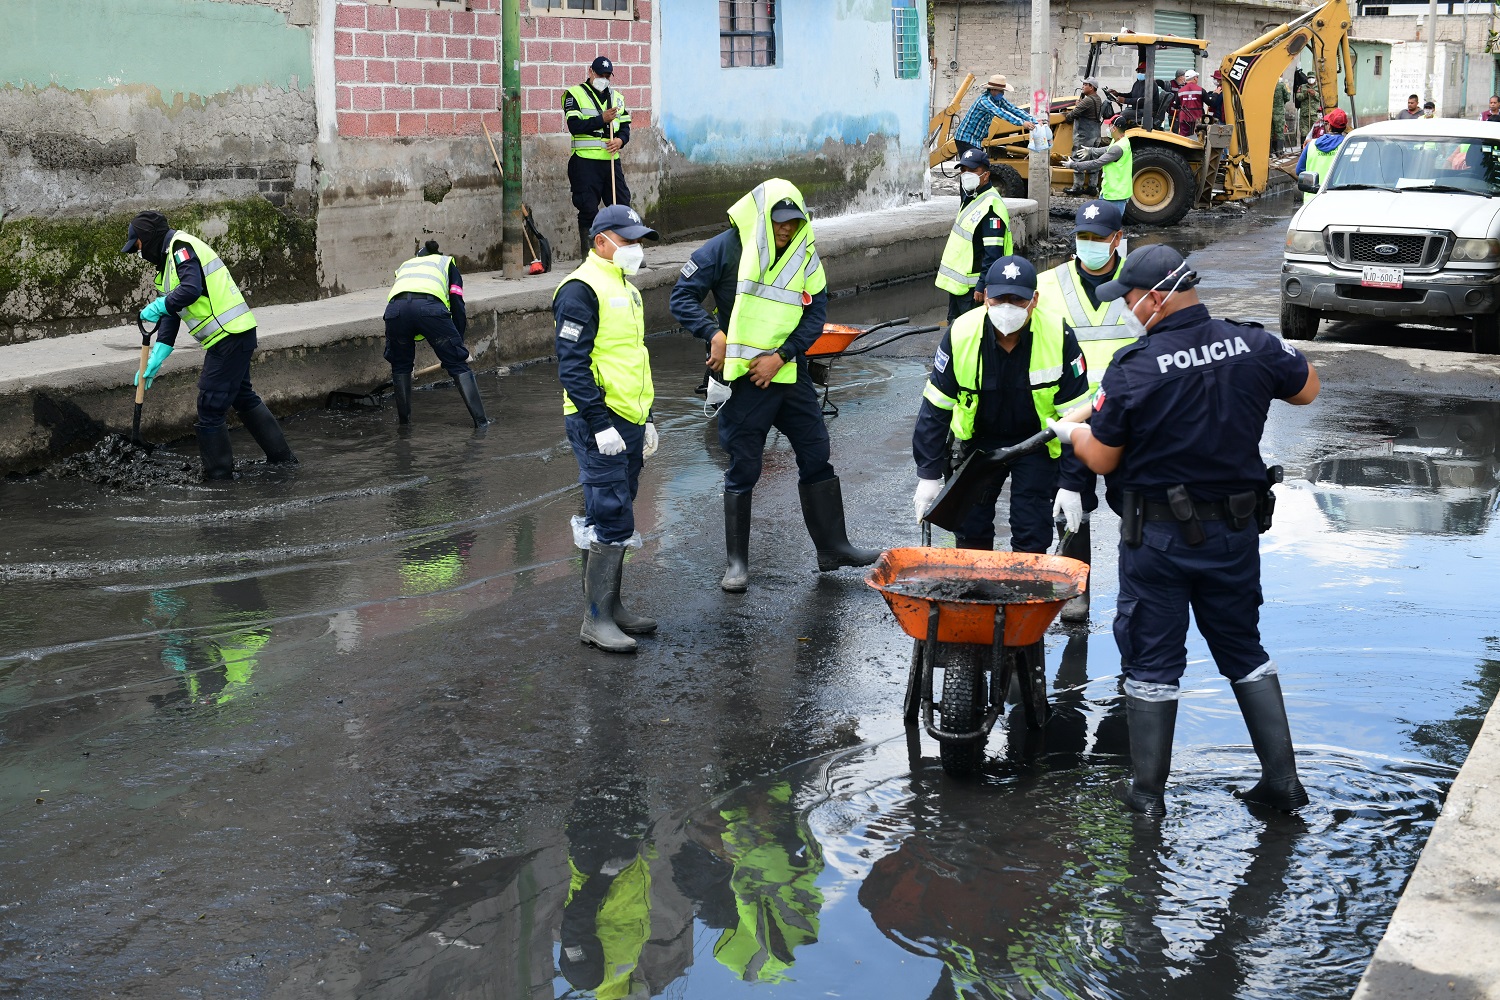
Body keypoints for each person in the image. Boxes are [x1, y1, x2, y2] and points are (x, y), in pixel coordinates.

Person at [1051, 244, 1322, 818]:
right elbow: (1307, 390)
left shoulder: (1135, 366)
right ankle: (1282, 782)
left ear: (1155, 298)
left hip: (1159, 542)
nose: (1124, 308)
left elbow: (1102, 457)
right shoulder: (1252, 344)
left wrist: (1072, 434)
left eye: (1128, 298)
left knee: (1153, 660)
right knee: (1243, 649)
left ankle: (1146, 796)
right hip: (1235, 534)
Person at [670, 179, 879, 592]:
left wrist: (781, 356)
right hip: (745, 381)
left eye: (793, 222)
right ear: (763, 217)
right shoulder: (726, 248)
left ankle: (833, 548)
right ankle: (736, 564)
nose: (786, 228)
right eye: (779, 221)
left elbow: (815, 314)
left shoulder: (805, 253)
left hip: (787, 374)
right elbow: (681, 297)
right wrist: (712, 333)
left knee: (816, 452)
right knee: (744, 467)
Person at [911, 256, 1092, 553]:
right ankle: (976, 580)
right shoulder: (961, 333)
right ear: (985, 297)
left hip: (1036, 441)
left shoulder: (1058, 335)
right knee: (970, 525)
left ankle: (1027, 581)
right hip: (978, 442)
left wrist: (1072, 482)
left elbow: (1076, 417)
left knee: (1032, 528)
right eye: (999, 299)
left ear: (1034, 300)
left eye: (1017, 300)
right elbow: (936, 408)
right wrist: (928, 474)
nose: (1007, 308)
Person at [553, 204, 660, 653]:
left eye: (639, 241)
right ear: (601, 241)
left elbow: (631, 357)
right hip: (599, 420)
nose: (636, 248)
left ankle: (611, 607)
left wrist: (647, 417)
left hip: (629, 419)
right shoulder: (580, 290)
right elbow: (571, 364)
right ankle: (595, 620)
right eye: (628, 240)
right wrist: (599, 424)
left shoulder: (626, 288)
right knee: (612, 512)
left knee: (615, 510)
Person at [120, 210, 295, 481]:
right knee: (242, 396)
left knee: (210, 406)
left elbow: (190, 289)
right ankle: (283, 461)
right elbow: (171, 313)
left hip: (229, 335)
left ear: (150, 237)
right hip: (232, 335)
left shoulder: (181, 248)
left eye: (139, 247)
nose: (140, 254)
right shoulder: (166, 267)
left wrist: (159, 304)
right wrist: (159, 354)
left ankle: (219, 479)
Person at [1034, 200, 1137, 621]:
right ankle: (1076, 592)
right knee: (1070, 501)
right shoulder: (1047, 285)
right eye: (1083, 236)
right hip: (1068, 415)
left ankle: (1139, 591)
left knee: (1136, 506)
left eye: (1098, 237)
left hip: (1127, 417)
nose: (1089, 243)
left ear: (1117, 240)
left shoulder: (1138, 285)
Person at [382, 240, 488, 428]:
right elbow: (457, 303)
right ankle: (482, 423)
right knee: (457, 364)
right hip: (429, 310)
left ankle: (404, 426)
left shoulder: (406, 265)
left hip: (395, 312)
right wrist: (458, 345)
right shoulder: (446, 263)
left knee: (401, 366)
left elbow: (405, 300)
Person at [934, 147, 1013, 324]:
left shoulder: (991, 207)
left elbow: (993, 252)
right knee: (955, 330)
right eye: (963, 170)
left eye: (972, 170)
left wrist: (983, 284)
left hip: (973, 291)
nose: (966, 175)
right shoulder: (973, 197)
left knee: (972, 332)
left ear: (986, 175)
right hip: (959, 287)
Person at [563, 55, 631, 259]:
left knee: (622, 206)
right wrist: (602, 119)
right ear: (590, 72)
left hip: (610, 161)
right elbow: (574, 126)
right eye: (600, 75)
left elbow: (625, 126)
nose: (604, 79)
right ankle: (590, 257)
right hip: (585, 163)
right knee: (588, 209)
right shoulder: (574, 94)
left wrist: (620, 140)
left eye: (607, 76)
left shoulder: (617, 97)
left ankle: (625, 252)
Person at [1063, 114, 1135, 216]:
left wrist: (1073, 165)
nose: (1108, 128)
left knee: (1111, 223)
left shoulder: (1118, 148)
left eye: (1109, 126)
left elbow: (1097, 163)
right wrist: (1091, 151)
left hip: (1115, 195)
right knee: (1104, 222)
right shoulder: (1122, 140)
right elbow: (1108, 149)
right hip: (1110, 191)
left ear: (1114, 128)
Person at [953, 74, 1036, 154]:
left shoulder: (999, 100)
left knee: (978, 162)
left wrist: (1033, 120)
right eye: (1001, 91)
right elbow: (1001, 113)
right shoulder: (984, 101)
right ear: (993, 90)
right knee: (973, 162)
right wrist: (1022, 123)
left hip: (976, 140)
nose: (1002, 93)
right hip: (966, 138)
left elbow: (1013, 109)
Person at [1062, 77, 1106, 194]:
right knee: (1093, 159)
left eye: (1085, 84)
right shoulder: (1097, 98)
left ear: (1091, 87)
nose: (1083, 87)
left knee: (1079, 157)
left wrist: (1067, 116)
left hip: (1085, 134)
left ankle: (1077, 187)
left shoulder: (1088, 101)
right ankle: (1092, 187)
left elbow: (1073, 114)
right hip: (1095, 133)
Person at [1295, 108, 1349, 202]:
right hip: (1338, 200)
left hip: (1311, 201)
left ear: (1329, 127)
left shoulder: (1311, 145)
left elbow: (1299, 171)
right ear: (1345, 127)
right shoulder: (1348, 146)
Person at [1175, 69, 1204, 136]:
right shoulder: (1200, 90)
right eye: (1197, 77)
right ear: (1194, 78)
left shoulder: (1180, 91)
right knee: (1197, 137)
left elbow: (1176, 106)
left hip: (1184, 118)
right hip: (1197, 118)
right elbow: (1210, 102)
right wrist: (1215, 94)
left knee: (1184, 138)